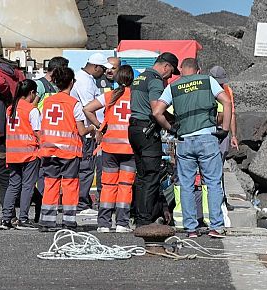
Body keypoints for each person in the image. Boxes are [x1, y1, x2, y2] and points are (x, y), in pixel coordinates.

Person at [152, 58, 232, 238]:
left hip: (184, 140)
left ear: (180, 70)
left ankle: (191, 229)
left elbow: (157, 112)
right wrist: (225, 129)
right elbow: (226, 102)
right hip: (207, 138)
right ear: (198, 70)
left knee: (186, 185)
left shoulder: (173, 86)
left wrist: (170, 128)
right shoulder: (207, 80)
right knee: (212, 182)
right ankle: (216, 226)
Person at [39, 66, 96, 230]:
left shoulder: (48, 101)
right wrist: (93, 127)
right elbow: (81, 131)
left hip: (49, 150)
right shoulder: (74, 103)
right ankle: (69, 221)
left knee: (50, 183)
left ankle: (47, 221)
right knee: (70, 185)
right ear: (72, 82)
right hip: (68, 152)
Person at [128, 52, 180, 227]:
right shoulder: (155, 80)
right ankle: (145, 219)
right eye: (171, 72)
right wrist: (171, 127)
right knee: (151, 176)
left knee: (142, 176)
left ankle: (139, 216)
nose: (170, 76)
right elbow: (156, 109)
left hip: (134, 129)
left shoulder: (140, 77)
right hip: (147, 131)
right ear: (165, 66)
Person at [83, 65, 136, 233]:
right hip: (129, 148)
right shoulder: (137, 96)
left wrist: (100, 126)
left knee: (107, 185)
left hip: (110, 147)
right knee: (125, 186)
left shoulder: (110, 96)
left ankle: (104, 223)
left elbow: (87, 109)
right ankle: (121, 223)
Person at [0, 42, 26, 218]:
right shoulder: (14, 70)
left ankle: (8, 214)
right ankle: (24, 209)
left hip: (2, 128)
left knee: (0, 171)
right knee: (18, 171)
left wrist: (8, 100)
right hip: (17, 126)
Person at [70, 52, 112, 214]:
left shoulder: (85, 79)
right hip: (87, 132)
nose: (104, 72)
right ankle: (81, 203)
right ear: (95, 67)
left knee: (85, 168)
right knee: (86, 168)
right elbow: (89, 109)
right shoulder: (85, 83)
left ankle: (82, 200)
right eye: (102, 68)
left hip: (88, 131)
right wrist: (99, 127)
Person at [0, 80, 41, 230]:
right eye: (34, 93)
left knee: (13, 185)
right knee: (28, 186)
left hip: (12, 153)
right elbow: (37, 133)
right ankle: (23, 219)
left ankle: (6, 219)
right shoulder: (32, 110)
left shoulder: (10, 108)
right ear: (31, 93)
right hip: (29, 153)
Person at [209, 65, 238, 211]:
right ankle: (216, 200)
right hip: (210, 131)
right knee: (211, 167)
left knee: (219, 165)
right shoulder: (206, 89)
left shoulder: (227, 90)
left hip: (223, 132)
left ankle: (222, 199)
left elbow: (231, 113)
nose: (220, 84)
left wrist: (233, 135)